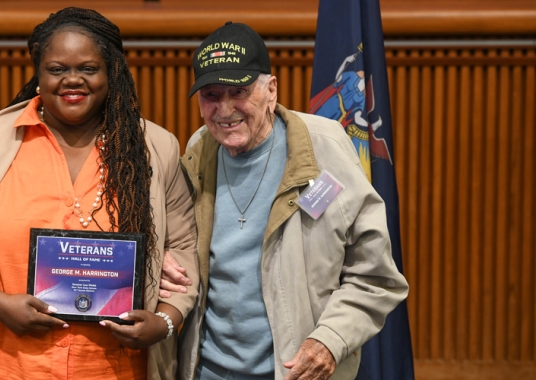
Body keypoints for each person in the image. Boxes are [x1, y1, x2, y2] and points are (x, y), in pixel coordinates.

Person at [0, 7, 198, 380]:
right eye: (57, 69)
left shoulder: (155, 148)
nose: (73, 80)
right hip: (3, 366)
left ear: (111, 74)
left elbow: (183, 255)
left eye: (88, 68)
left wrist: (163, 321)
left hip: (117, 369)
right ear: (39, 73)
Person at [160, 22, 409, 379]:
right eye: (211, 96)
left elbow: (375, 276)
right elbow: (177, 239)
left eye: (239, 92)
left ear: (271, 90)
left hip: (295, 372)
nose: (225, 109)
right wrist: (166, 253)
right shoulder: (199, 151)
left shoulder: (324, 147)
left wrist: (330, 339)